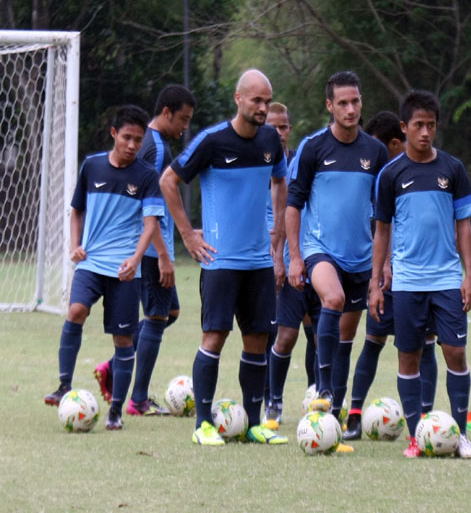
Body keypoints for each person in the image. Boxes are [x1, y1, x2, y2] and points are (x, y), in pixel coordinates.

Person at [160, 69, 288, 446]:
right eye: (257, 100)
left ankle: (252, 424)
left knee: (257, 340)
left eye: (267, 101)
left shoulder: (271, 141)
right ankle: (203, 424)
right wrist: (188, 234)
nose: (263, 108)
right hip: (221, 262)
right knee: (214, 337)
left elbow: (280, 180)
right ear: (239, 99)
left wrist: (277, 231)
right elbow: (168, 181)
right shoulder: (212, 141)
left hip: (259, 263)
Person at [369, 89, 471, 459]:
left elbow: (463, 225)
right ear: (404, 127)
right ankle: (417, 438)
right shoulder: (390, 174)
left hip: (447, 278)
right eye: (418, 125)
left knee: (456, 352)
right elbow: (381, 229)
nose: (426, 132)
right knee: (408, 357)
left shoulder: (453, 169)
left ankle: (461, 434)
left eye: (431, 125)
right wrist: (376, 281)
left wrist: (470, 275)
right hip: (407, 281)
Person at [286, 71, 389, 453]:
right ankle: (323, 388)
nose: (350, 109)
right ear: (329, 105)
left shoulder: (376, 153)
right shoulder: (312, 148)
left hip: (362, 257)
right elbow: (292, 204)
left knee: (346, 339)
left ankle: (335, 416)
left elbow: (384, 217)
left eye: (356, 101)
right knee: (332, 300)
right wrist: (296, 257)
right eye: (342, 102)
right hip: (320, 249)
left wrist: (384, 265)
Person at [44, 105, 162, 431]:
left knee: (123, 340)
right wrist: (74, 244)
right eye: (127, 137)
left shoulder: (147, 176)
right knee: (76, 311)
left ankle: (116, 411)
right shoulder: (92, 166)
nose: (132, 145)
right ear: (114, 133)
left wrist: (136, 259)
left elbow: (151, 223)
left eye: (138, 140)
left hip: (125, 269)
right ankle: (64, 385)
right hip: (92, 262)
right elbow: (77, 211)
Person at [93, 85, 195, 416]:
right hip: (152, 247)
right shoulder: (153, 148)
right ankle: (137, 400)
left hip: (155, 244)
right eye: (182, 118)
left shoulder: (156, 144)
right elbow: (145, 206)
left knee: (170, 312)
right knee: (156, 316)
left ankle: (112, 365)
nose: (185, 126)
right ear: (166, 112)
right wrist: (163, 253)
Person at [342, 111, 439, 441]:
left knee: (426, 347)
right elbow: (378, 227)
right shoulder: (384, 178)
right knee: (373, 341)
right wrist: (380, 271)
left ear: (394, 145)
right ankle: (354, 415)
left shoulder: (425, 171)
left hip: (421, 277)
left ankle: (424, 416)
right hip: (387, 278)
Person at [262, 103, 323, 431]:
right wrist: (275, 256)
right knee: (283, 334)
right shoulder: (255, 161)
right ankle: (272, 400)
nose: (280, 133)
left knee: (317, 333)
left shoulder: (302, 159)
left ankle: (317, 396)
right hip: (273, 259)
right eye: (274, 127)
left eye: (285, 127)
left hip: (307, 257)